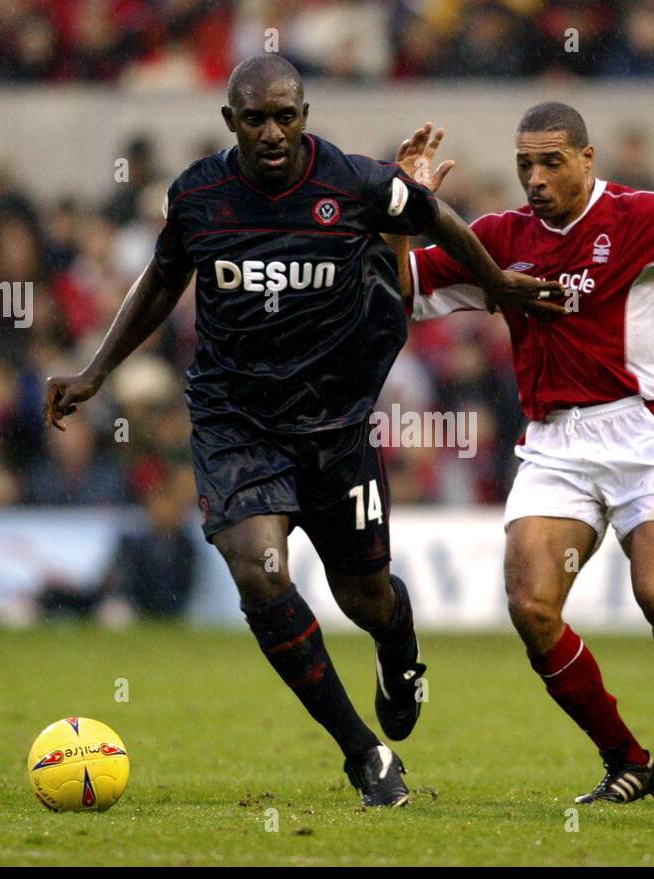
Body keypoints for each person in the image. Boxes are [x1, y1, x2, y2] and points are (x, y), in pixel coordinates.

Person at [43, 56, 563, 807]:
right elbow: (161, 280)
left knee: (366, 597)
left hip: (336, 424)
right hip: (235, 421)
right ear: (232, 122)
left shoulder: (350, 183)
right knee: (260, 571)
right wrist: (95, 371)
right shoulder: (198, 196)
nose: (273, 130)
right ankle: (363, 756)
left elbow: (431, 213)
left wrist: (496, 279)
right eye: (255, 118)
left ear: (306, 115)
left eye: (285, 115)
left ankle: (399, 643)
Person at [389, 105, 654, 804]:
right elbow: (404, 289)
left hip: (639, 434)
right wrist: (405, 215)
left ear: (587, 157)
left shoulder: (640, 217)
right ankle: (628, 760)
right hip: (554, 443)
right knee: (530, 607)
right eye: (524, 165)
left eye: (551, 163)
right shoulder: (498, 238)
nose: (535, 179)